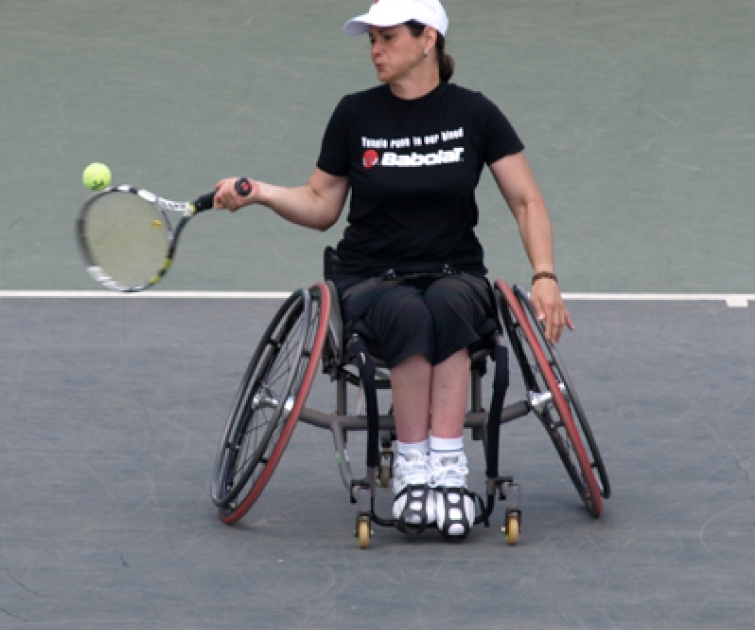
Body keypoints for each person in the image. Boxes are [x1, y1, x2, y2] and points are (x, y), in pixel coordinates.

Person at [213, 0, 573, 540]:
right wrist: (261, 193)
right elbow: (320, 204)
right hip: (370, 276)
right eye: (371, 41)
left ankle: (448, 471)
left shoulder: (475, 114)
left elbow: (527, 202)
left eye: (387, 38)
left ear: (427, 39)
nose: (376, 50)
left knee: (450, 305)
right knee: (407, 311)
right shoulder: (355, 114)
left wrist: (544, 274)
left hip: (454, 270)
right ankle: (411, 470)